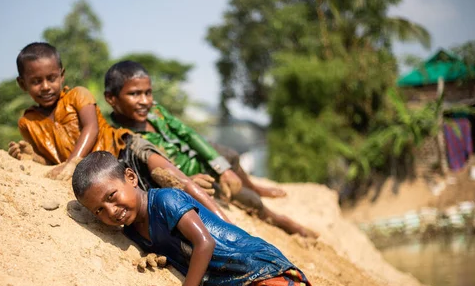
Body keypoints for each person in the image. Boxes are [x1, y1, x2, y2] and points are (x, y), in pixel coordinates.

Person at [72, 151, 435, 286]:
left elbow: (204, 242)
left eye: (112, 197)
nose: (110, 211)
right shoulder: (132, 229)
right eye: (98, 210)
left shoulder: (164, 200)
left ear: (131, 179)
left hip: (251, 263)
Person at [8, 42, 228, 221]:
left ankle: (224, 219)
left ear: (62, 75)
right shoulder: (28, 122)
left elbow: (91, 128)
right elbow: (51, 159)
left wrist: (74, 161)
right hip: (106, 175)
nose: (45, 86)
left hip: (123, 146)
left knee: (171, 176)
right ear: (22, 83)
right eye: (36, 81)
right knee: (147, 194)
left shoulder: (78, 95)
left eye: (51, 78)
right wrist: (30, 155)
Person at [104, 60, 318, 237]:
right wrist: (184, 183)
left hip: (198, 161)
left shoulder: (156, 112)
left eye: (148, 93)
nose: (144, 101)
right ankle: (282, 221)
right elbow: (143, 177)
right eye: (134, 94)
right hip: (192, 179)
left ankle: (254, 185)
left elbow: (188, 133)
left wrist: (221, 168)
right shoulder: (121, 137)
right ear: (111, 99)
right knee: (250, 201)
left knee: (230, 156)